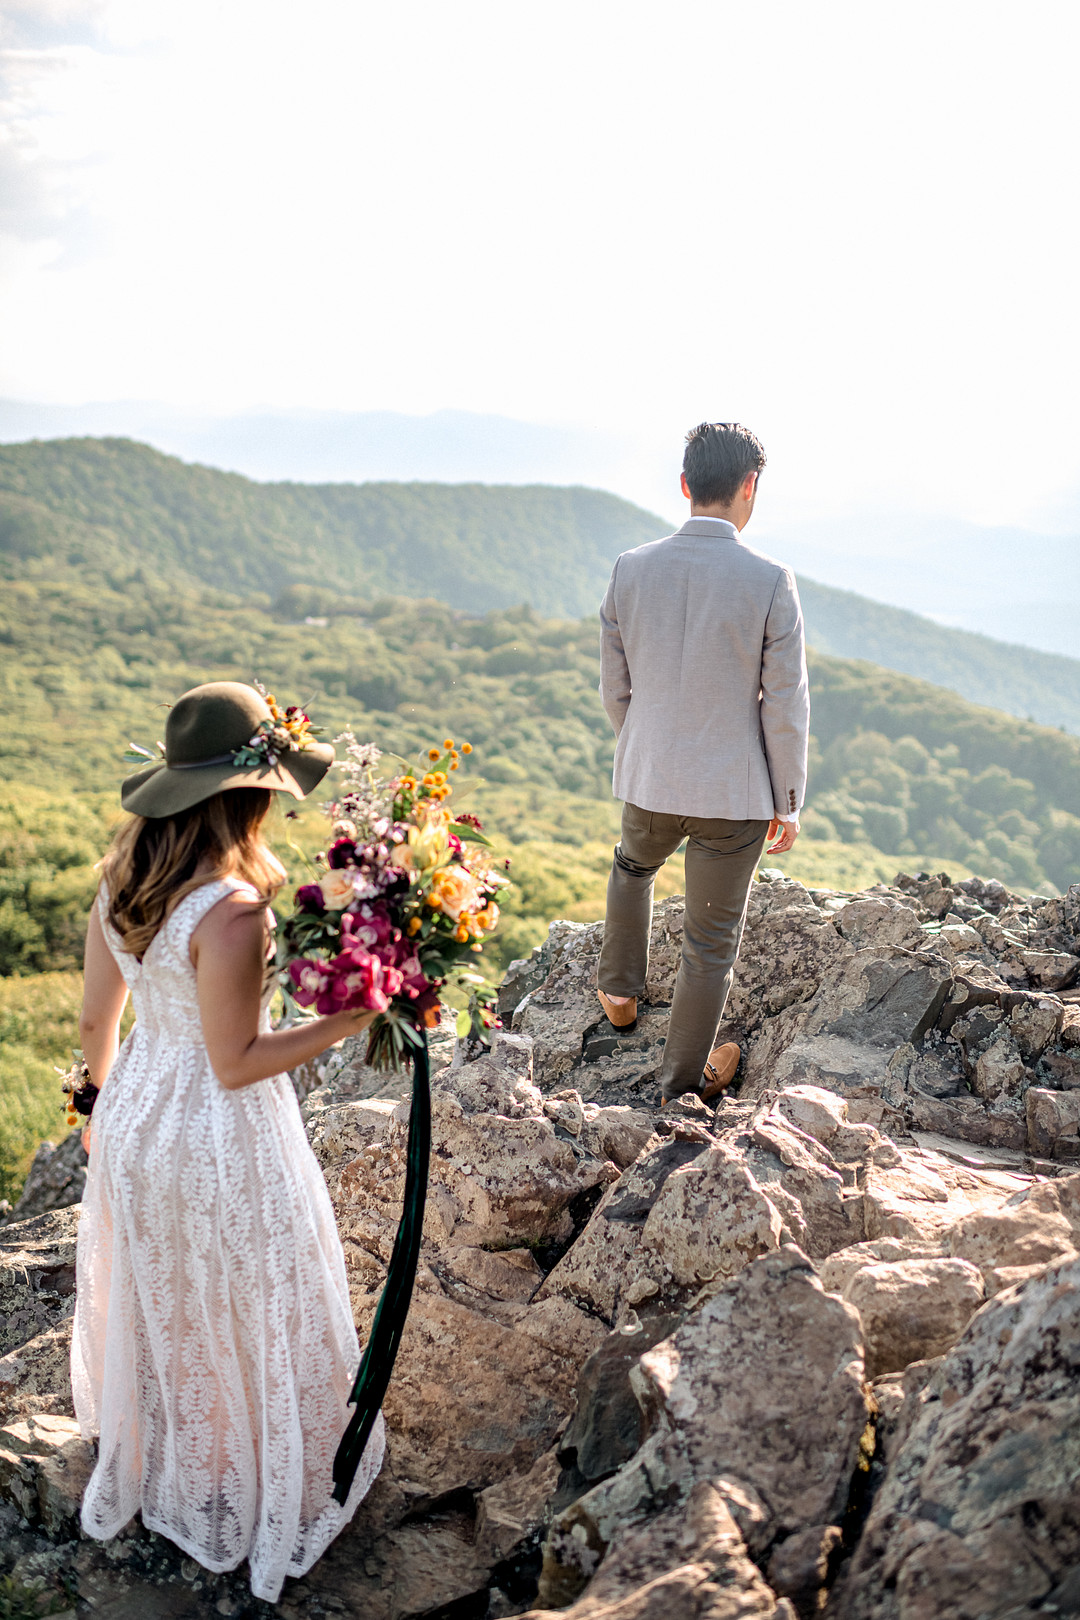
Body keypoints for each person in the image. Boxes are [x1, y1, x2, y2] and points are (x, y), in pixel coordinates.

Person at [72, 681, 385, 1604]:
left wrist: (97, 1114)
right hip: (216, 1131)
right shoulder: (233, 910)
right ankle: (241, 1487)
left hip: (136, 1115)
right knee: (251, 1290)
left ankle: (176, 1459)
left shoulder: (123, 876)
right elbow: (240, 1061)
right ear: (249, 793)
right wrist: (356, 1011)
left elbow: (98, 1020)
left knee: (170, 1291)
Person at [597, 422, 809, 1103]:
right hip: (733, 792)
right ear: (750, 487)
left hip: (650, 775)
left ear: (685, 485)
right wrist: (788, 799)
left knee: (633, 867)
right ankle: (680, 1082)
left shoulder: (631, 567)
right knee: (710, 941)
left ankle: (619, 994)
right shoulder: (771, 581)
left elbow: (615, 686)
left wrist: (647, 748)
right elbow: (785, 705)